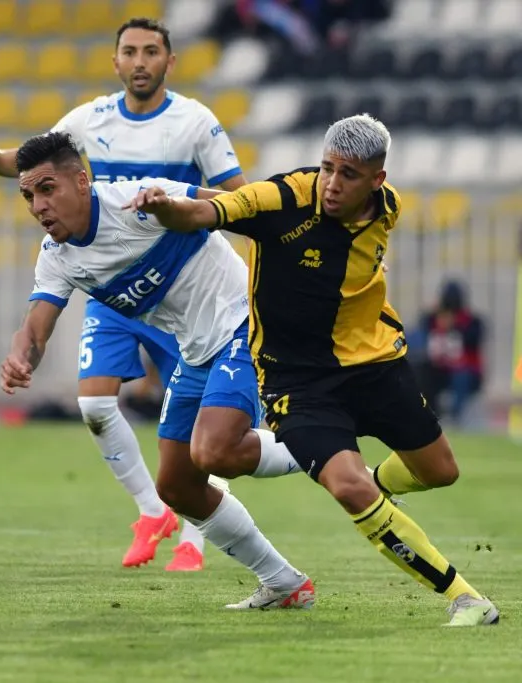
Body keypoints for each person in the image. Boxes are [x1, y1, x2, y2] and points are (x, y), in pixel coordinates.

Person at [126, 113, 499, 626]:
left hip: (375, 365)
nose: (332, 183)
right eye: (327, 168)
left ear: (377, 180)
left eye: (348, 174)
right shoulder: (281, 199)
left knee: (440, 472)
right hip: (296, 381)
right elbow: (205, 212)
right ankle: (465, 597)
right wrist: (167, 209)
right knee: (347, 489)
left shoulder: (386, 209)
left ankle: (370, 483)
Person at [0, 17, 252, 571]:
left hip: (183, 283)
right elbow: (32, 163)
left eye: (150, 51)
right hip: (112, 287)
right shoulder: (86, 121)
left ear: (169, 62)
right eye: (129, 52)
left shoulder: (195, 121)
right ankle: (152, 510)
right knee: (94, 402)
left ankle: (195, 533)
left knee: (196, 425)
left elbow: (235, 197)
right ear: (115, 62)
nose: (139, 61)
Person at [2, 131, 313, 609]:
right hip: (195, 349)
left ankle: (324, 445)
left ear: (81, 181)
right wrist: (22, 356)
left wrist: (309, 250)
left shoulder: (138, 201)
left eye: (47, 188)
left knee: (216, 450)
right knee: (176, 487)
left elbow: (240, 206)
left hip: (244, 322)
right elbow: (36, 328)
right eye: (28, 195)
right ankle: (284, 582)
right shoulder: (57, 259)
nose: (38, 205)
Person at [413, 280, 484, 426]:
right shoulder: (431, 319)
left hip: (463, 371)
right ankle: (429, 414)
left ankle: (455, 418)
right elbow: (422, 334)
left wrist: (455, 326)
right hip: (439, 368)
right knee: (421, 370)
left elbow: (472, 339)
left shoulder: (473, 322)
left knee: (461, 377)